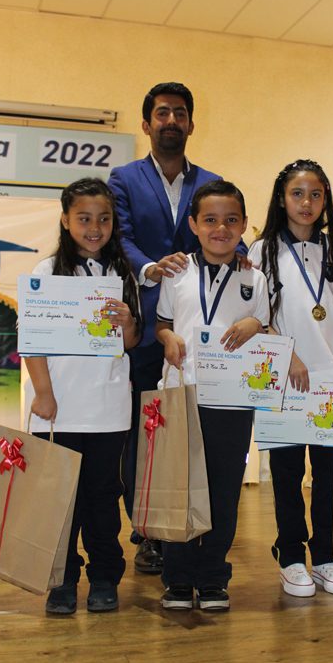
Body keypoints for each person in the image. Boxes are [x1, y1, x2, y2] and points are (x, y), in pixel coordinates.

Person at [108, 82, 222, 574]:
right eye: (162, 113)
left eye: (179, 113)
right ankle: (147, 530)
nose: (171, 120)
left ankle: (195, 521)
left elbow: (226, 234)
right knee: (144, 431)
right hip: (142, 324)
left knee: (193, 428)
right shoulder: (123, 178)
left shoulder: (212, 181)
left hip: (196, 331)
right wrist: (150, 268)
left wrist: (240, 254)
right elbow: (119, 235)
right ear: (146, 123)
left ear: (191, 123)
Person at [248, 159, 333, 598]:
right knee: (286, 472)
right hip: (285, 376)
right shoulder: (261, 251)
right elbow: (256, 316)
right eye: (297, 193)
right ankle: (292, 555)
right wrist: (287, 355)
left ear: (325, 200)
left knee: (328, 474)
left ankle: (327, 557)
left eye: (316, 194)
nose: (307, 202)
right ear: (282, 199)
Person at [24, 178, 141, 615]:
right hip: (57, 410)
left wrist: (127, 322)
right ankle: (62, 579)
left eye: (104, 219)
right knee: (61, 501)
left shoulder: (122, 273)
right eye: (84, 218)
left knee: (102, 497)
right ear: (65, 220)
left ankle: (105, 577)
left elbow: (130, 342)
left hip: (108, 411)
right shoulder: (46, 272)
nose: (95, 228)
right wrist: (44, 394)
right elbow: (31, 341)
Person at [156, 180, 270, 611]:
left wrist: (255, 325)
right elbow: (162, 322)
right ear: (193, 224)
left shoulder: (254, 277)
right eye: (210, 220)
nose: (220, 228)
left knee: (223, 490)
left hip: (232, 401)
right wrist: (167, 337)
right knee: (180, 488)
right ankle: (178, 579)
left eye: (230, 220)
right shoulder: (176, 272)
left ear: (243, 225)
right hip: (182, 394)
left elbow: (266, 326)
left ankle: (212, 578)